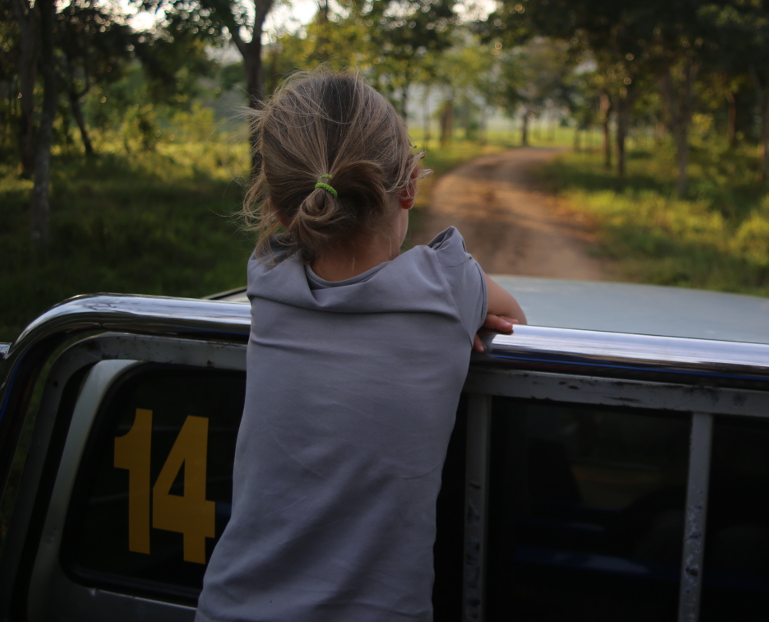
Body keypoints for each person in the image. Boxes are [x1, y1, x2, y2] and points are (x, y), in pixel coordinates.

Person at [195, 71, 526, 622]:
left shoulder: (268, 279)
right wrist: (462, 321)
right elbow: (513, 317)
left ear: (278, 208)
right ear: (410, 187)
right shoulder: (448, 286)